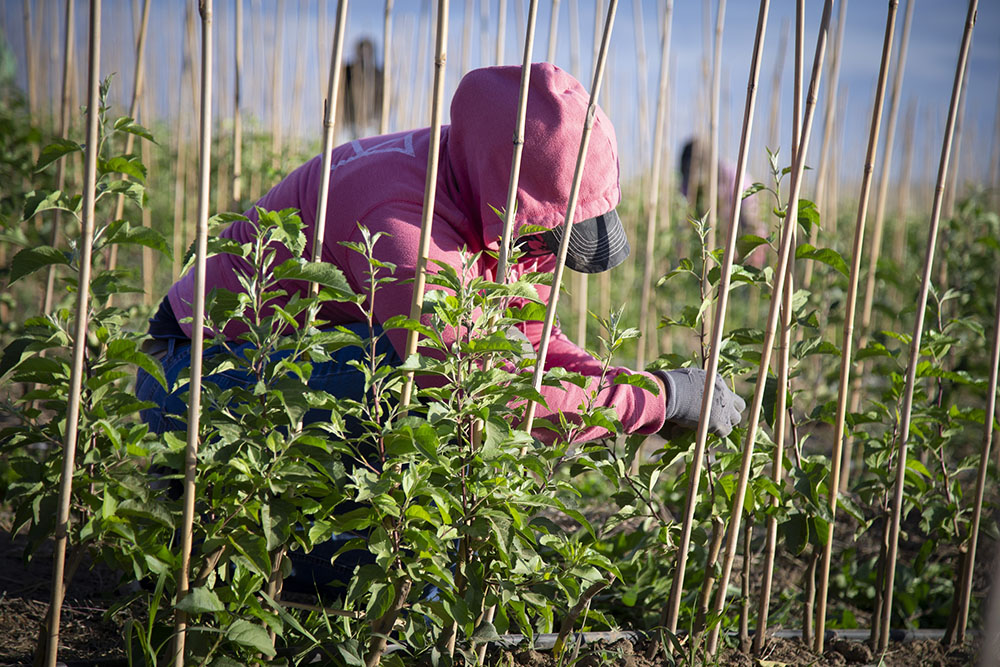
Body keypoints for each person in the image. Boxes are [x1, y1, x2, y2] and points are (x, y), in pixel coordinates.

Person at [136, 63, 745, 447]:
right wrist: (657, 398)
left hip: (264, 368)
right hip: (193, 379)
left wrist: (634, 391)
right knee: (417, 385)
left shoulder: (473, 188)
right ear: (511, 195)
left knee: (439, 361)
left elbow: (530, 340)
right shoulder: (407, 220)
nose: (548, 261)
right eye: (546, 240)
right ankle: (316, 581)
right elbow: (481, 396)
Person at [680, 138, 768, 267]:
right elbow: (685, 221)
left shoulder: (734, 178)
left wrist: (747, 253)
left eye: (693, 170)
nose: (692, 178)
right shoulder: (688, 186)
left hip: (739, 241)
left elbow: (752, 222)